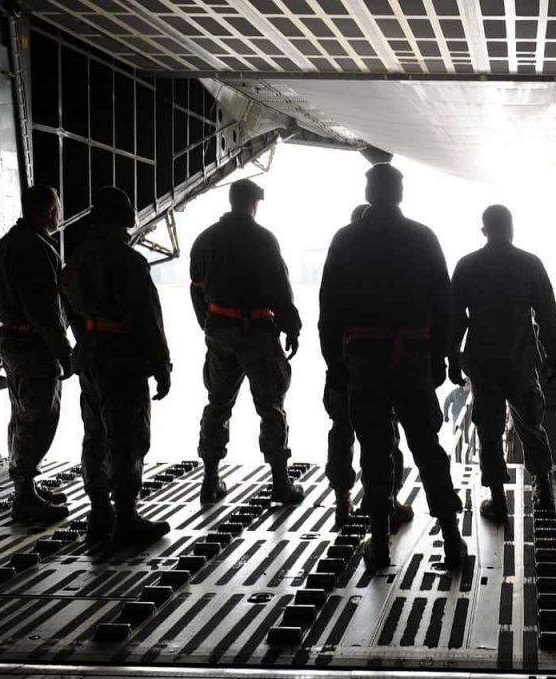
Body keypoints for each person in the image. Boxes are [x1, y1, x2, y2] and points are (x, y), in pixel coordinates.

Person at [319, 163, 465, 571]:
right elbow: (444, 303)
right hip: (414, 359)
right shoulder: (423, 237)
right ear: (400, 193)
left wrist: (335, 365)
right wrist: (441, 357)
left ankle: (380, 542)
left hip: (364, 361)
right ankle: (452, 539)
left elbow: (330, 309)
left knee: (374, 450)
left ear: (368, 192)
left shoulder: (346, 239)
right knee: (427, 447)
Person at [59, 187, 172, 544]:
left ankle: (99, 511)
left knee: (94, 434)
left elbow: (70, 312)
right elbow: (146, 318)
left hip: (90, 356)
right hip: (123, 359)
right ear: (125, 221)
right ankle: (126, 517)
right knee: (127, 437)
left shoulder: (75, 261)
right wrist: (161, 363)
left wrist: (88, 342)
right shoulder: (128, 261)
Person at [189, 178, 305, 506]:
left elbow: (196, 289)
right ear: (253, 203)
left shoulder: (205, 239)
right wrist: (292, 328)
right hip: (256, 333)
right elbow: (279, 289)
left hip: (220, 333)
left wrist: (209, 325)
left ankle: (210, 480)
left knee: (217, 405)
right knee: (271, 406)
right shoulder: (262, 239)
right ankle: (280, 482)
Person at [449, 205, 556, 522]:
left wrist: (451, 358)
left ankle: (498, 500)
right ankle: (543, 488)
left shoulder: (468, 266)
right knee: (530, 425)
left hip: (484, 364)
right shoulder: (529, 264)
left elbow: (456, 319)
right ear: (511, 228)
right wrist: (553, 354)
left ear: (484, 230)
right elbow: (547, 314)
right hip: (521, 361)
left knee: (488, 431)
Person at [0, 185, 72, 523]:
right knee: (39, 416)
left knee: (21, 413)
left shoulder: (6, 244)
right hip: (34, 346)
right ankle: (24, 496)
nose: (60, 214)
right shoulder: (38, 249)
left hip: (12, 340)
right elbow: (46, 312)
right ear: (50, 210)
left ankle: (26, 487)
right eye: (58, 208)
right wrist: (65, 354)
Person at [324, 203, 412, 529]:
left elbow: (326, 316)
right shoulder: (388, 264)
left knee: (341, 430)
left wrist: (333, 364)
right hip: (381, 362)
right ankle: (388, 500)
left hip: (345, 360)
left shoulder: (341, 257)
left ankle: (342, 500)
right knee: (385, 433)